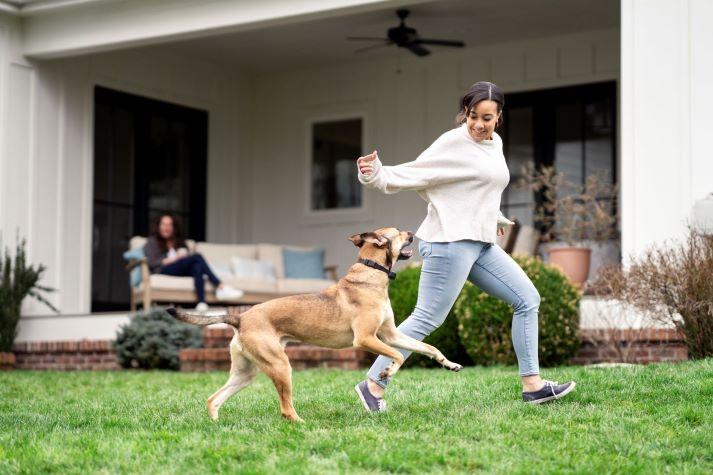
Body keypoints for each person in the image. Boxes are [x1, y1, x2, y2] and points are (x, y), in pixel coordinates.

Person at [353, 81, 576, 411]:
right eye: (472, 116)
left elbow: (480, 187)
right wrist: (374, 174)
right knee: (427, 318)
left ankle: (533, 386)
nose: (478, 124)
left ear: (498, 117)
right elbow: (414, 174)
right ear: (465, 113)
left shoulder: (494, 143)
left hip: (481, 242)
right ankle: (373, 385)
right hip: (448, 243)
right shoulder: (453, 143)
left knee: (528, 299)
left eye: (486, 118)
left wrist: (493, 218)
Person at [144, 214, 243, 312]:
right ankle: (221, 286)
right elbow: (153, 263)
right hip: (163, 269)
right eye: (164, 224)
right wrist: (176, 257)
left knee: (197, 266)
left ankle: (202, 303)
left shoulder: (178, 241)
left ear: (174, 227)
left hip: (180, 269)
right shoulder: (152, 241)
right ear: (158, 226)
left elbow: (186, 257)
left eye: (170, 225)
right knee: (197, 256)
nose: (167, 227)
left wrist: (184, 255)